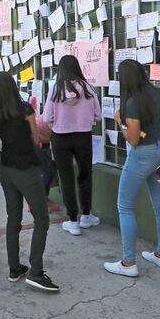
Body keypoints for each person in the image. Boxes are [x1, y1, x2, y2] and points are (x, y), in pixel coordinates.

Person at [0, 72, 59, 292]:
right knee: (42, 218)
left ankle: (14, 267)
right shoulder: (25, 110)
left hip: (5, 167)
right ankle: (36, 272)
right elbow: (36, 140)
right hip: (25, 168)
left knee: (13, 218)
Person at [103, 60, 160, 278]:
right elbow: (143, 133)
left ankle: (128, 262)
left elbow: (133, 140)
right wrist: (129, 125)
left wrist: (121, 124)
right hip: (159, 150)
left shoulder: (132, 102)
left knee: (125, 207)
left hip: (142, 155)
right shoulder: (153, 92)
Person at [42, 54, 101, 236]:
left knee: (66, 178)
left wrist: (57, 125)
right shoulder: (89, 88)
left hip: (60, 138)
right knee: (85, 175)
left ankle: (73, 221)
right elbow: (98, 116)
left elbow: (46, 118)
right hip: (83, 137)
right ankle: (86, 215)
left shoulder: (55, 89)